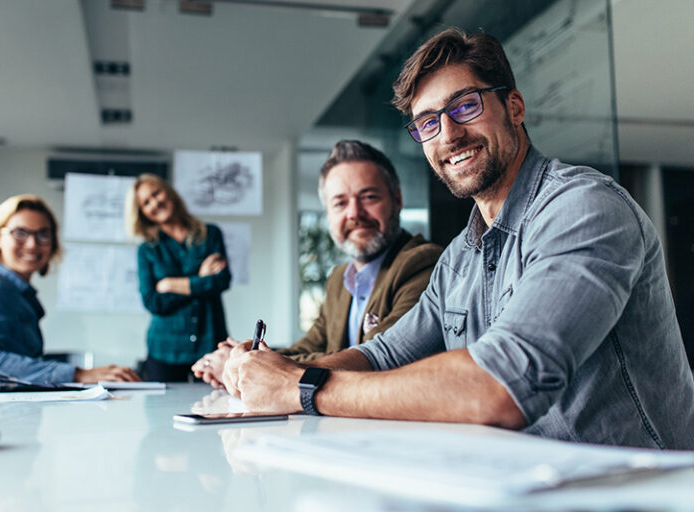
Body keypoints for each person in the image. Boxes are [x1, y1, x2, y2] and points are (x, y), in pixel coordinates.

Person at [221, 28, 694, 449]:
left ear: (514, 107)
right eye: (428, 122)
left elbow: (502, 384)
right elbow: (382, 354)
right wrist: (273, 376)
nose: (448, 133)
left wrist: (305, 388)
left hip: (637, 491)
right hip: (523, 484)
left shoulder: (583, 207)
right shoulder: (459, 257)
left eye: (465, 105)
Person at [192, 141, 442, 387]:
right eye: (340, 203)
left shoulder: (422, 264)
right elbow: (311, 346)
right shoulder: (339, 279)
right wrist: (247, 359)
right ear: (329, 213)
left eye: (368, 197)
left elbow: (376, 358)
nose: (354, 213)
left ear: (397, 200)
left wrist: (248, 364)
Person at [0, 194, 141, 384]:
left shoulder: (17, 293)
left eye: (43, 234)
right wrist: (78, 374)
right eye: (20, 233)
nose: (32, 244)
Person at [126, 173, 231, 382]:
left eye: (156, 193)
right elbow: (153, 302)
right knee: (159, 413)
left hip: (210, 343)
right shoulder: (147, 250)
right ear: (142, 213)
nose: (155, 202)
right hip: (165, 350)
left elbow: (221, 281)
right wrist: (199, 278)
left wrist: (170, 284)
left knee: (216, 408)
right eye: (146, 202)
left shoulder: (210, 234)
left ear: (168, 192)